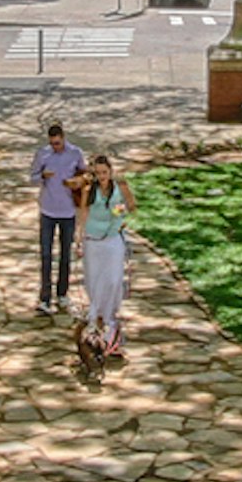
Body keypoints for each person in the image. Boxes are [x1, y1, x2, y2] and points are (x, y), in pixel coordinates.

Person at [70, 148, 136, 377]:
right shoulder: (91, 190)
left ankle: (110, 319)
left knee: (113, 279)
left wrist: (122, 212)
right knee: (94, 280)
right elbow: (84, 213)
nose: (102, 176)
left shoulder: (120, 187)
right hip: (93, 240)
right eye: (98, 173)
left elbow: (131, 206)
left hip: (113, 238)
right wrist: (79, 237)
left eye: (105, 172)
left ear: (110, 171)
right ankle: (94, 317)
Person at [30, 121, 87, 315]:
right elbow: (32, 176)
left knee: (65, 255)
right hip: (48, 210)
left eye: (58, 143)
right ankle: (44, 298)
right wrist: (43, 176)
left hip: (68, 211)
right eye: (53, 143)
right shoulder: (43, 154)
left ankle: (62, 294)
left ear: (63, 138)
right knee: (46, 255)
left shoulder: (75, 153)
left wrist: (76, 182)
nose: (56, 146)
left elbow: (85, 175)